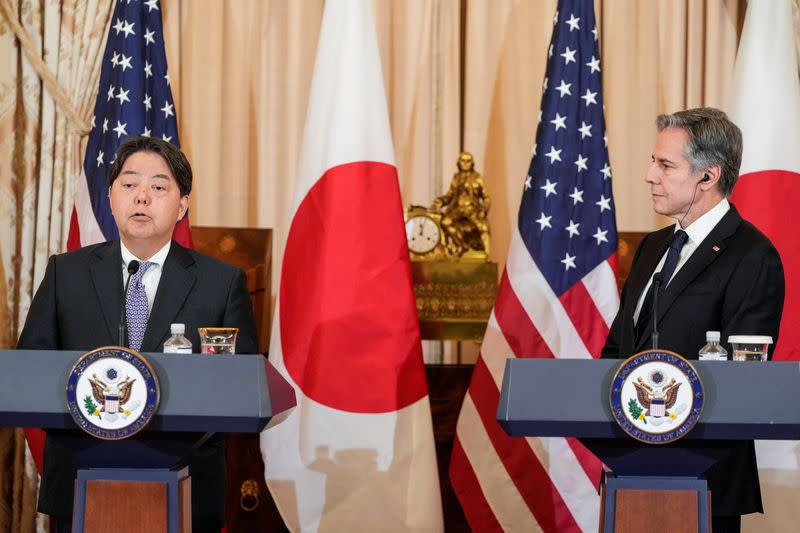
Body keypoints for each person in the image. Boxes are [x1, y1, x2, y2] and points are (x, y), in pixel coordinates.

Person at [17, 136, 258, 533]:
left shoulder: (222, 282)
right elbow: (29, 373)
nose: (142, 197)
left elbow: (242, 385)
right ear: (111, 197)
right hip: (81, 480)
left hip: (186, 483)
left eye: (159, 187)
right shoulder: (66, 273)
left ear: (182, 206)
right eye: (129, 185)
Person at [602, 107, 785, 532]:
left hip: (704, 479)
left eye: (665, 165)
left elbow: (745, 377)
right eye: (654, 161)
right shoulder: (652, 247)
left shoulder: (751, 255)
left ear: (708, 176)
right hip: (631, 469)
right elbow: (618, 349)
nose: (650, 175)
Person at [432, 151, 491, 256]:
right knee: (445, 222)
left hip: (472, 210)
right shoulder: (456, 177)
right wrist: (440, 201)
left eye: (468, 161)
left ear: (472, 163)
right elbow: (449, 196)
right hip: (457, 210)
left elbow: (486, 197)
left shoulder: (477, 178)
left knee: (483, 227)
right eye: (463, 161)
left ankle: (486, 254)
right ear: (458, 162)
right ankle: (463, 247)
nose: (465, 163)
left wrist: (483, 209)